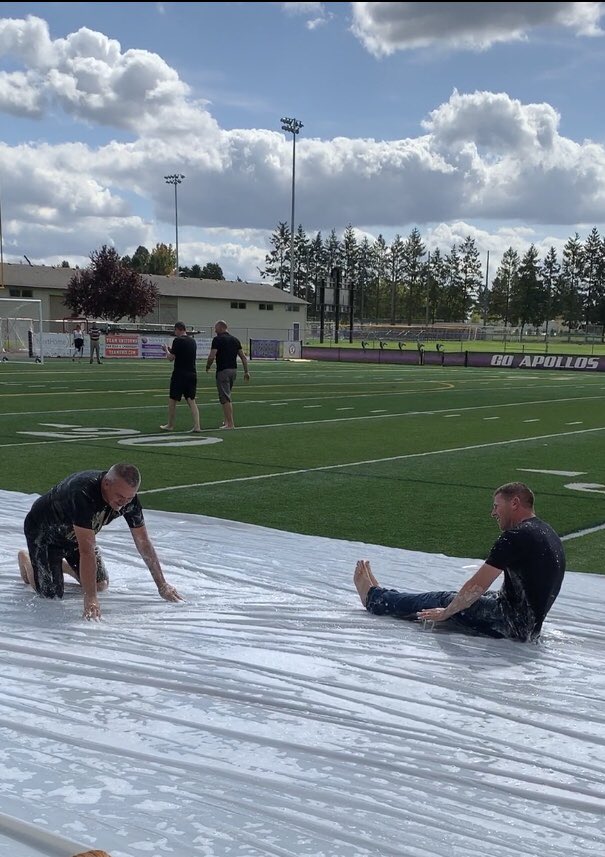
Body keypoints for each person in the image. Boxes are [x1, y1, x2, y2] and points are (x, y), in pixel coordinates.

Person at [354, 482, 565, 642]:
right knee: (460, 598)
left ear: (515, 503)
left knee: (443, 599)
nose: (493, 513)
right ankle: (387, 594)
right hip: (529, 623)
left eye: (496, 506)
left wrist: (446, 612)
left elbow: (477, 586)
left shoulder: (515, 536)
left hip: (513, 624)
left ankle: (375, 598)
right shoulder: (547, 532)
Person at [17, 463, 184, 620]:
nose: (123, 503)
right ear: (106, 484)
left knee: (100, 584)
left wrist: (162, 585)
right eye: (120, 496)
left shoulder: (127, 499)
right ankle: (28, 560)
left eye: (129, 498)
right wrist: (90, 599)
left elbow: (143, 542)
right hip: (45, 534)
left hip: (75, 536)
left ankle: (59, 565)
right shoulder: (82, 493)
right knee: (51, 594)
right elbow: (87, 551)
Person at [205, 320, 250, 429]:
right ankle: (226, 421)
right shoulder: (235, 340)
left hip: (223, 371)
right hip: (233, 371)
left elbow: (212, 356)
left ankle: (230, 424)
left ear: (221, 328)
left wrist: (208, 366)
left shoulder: (217, 340)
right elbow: (243, 357)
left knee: (225, 398)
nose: (215, 330)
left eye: (216, 328)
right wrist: (246, 371)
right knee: (227, 395)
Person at [160, 321, 201, 432]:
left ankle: (170, 425)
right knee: (191, 400)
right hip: (192, 373)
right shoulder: (192, 341)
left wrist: (166, 350)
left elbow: (170, 358)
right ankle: (197, 426)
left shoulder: (177, 340)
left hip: (179, 374)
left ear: (178, 329)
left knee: (172, 400)